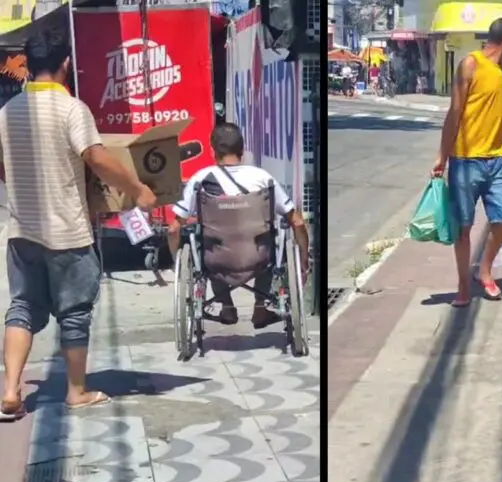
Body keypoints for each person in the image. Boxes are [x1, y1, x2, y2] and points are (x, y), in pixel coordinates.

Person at [0, 31, 158, 420]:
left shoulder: (7, 112)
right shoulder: (72, 109)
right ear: (65, 64)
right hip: (67, 233)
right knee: (74, 313)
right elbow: (97, 158)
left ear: (27, 64)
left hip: (22, 233)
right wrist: (137, 190)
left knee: (21, 308)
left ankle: (9, 391)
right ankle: (76, 391)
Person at [431, 18, 502, 308]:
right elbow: (454, 113)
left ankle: (484, 270)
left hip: (497, 162)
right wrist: (442, 155)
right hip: (465, 161)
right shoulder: (470, 65)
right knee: (463, 228)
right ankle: (463, 286)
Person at [167, 123, 310, 328]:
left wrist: (175, 261)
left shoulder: (200, 180)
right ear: (242, 150)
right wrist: (304, 259)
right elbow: (297, 221)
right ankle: (260, 309)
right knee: (268, 242)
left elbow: (173, 228)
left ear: (212, 150)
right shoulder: (263, 179)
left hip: (217, 260)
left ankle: (227, 307)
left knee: (210, 244)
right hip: (259, 258)